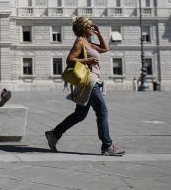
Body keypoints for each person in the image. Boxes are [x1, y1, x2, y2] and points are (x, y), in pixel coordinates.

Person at [45, 16, 125, 156]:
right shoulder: (80, 41)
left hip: (92, 80)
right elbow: (70, 59)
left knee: (80, 114)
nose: (92, 28)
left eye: (93, 26)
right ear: (83, 28)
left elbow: (105, 49)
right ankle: (107, 146)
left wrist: (99, 33)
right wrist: (88, 60)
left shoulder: (88, 43)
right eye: (90, 26)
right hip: (89, 81)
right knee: (102, 111)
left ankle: (55, 133)